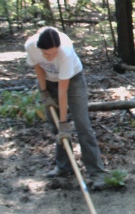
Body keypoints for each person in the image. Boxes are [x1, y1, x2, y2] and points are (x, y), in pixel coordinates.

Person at [25, 27, 108, 190]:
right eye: (47, 54)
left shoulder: (66, 52)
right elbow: (38, 68)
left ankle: (97, 173)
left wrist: (65, 124)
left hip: (73, 79)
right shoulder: (30, 46)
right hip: (48, 81)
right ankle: (64, 166)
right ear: (39, 48)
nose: (51, 58)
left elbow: (63, 91)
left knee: (82, 125)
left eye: (54, 53)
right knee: (56, 127)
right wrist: (44, 93)